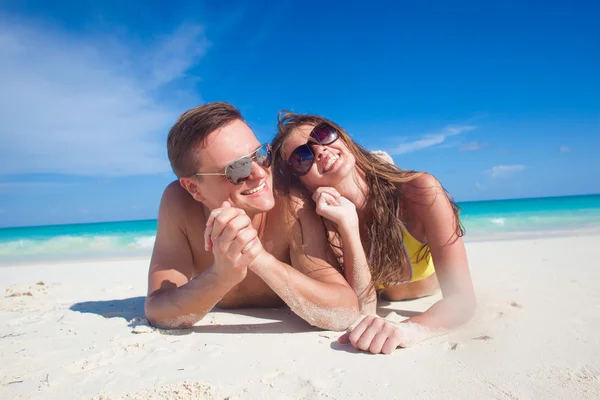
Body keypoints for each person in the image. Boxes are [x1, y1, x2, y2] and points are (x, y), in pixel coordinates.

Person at [271, 111, 477, 354]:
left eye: (323, 134)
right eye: (302, 157)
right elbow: (361, 309)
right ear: (301, 183)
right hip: (372, 275)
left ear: (344, 138)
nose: (319, 150)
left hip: (396, 209)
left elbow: (462, 301)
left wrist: (409, 329)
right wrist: (348, 225)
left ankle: (381, 165)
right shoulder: (323, 226)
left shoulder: (418, 192)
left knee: (389, 188)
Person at [144, 102, 360, 331]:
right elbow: (158, 311)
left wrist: (257, 257)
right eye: (237, 169)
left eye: (261, 154)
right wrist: (220, 276)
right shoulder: (179, 204)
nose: (260, 173)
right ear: (194, 188)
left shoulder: (292, 205)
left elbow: (344, 312)